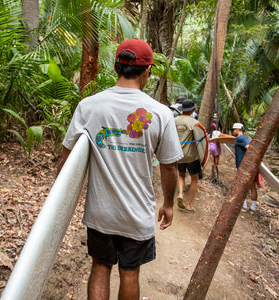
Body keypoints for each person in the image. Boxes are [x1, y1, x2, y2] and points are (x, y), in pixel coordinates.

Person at [57, 38, 183, 300]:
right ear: (147, 71)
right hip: (137, 214)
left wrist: (59, 201)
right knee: (130, 272)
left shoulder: (89, 106)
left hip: (100, 213)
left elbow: (66, 158)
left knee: (100, 267)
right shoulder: (160, 113)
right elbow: (170, 168)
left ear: (116, 67)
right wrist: (168, 204)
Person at [174, 98, 202, 213]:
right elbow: (201, 139)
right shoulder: (194, 122)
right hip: (192, 156)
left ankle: (180, 193)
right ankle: (189, 205)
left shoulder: (174, 121)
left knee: (181, 175)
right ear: (191, 110)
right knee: (194, 178)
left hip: (179, 155)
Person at [232, 123, 257, 212]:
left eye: (233, 130)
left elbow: (249, 148)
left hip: (243, 165)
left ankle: (244, 205)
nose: (233, 131)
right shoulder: (245, 137)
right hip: (249, 165)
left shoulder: (240, 138)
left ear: (237, 130)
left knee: (242, 185)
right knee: (252, 186)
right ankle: (253, 207)